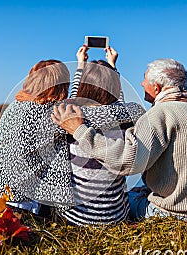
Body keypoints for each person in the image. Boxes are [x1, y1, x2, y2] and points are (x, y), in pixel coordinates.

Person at [51, 58, 187, 220]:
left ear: (157, 88)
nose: (142, 83)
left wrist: (80, 131)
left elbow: (127, 162)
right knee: (134, 192)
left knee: (123, 199)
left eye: (145, 80)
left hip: (177, 214)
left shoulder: (160, 114)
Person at [0, 59, 74, 213]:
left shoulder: (13, 106)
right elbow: (105, 113)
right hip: (13, 200)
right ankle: (62, 209)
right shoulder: (58, 113)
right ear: (63, 86)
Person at [59, 46, 145, 225]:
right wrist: (113, 69)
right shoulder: (127, 115)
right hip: (115, 217)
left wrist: (81, 66)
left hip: (76, 218)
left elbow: (74, 99)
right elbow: (116, 106)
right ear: (116, 87)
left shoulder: (71, 117)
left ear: (83, 86)